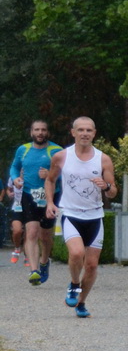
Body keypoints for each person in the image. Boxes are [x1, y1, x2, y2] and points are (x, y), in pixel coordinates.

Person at [43, 117, 115, 317]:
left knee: (91, 266)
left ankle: (81, 303)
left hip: (95, 216)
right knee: (76, 254)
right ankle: (74, 284)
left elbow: (113, 192)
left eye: (89, 130)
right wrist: (50, 203)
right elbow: (50, 180)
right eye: (81, 130)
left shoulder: (103, 159)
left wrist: (106, 186)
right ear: (73, 132)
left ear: (94, 133)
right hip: (71, 214)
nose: (85, 133)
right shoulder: (61, 157)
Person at [10, 120, 64, 285]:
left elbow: (67, 174)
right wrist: (15, 179)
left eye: (43, 130)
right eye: (37, 130)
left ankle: (44, 262)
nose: (40, 133)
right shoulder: (23, 149)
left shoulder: (57, 151)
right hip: (29, 195)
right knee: (32, 232)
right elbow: (14, 167)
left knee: (46, 236)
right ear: (31, 132)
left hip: (50, 197)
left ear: (47, 132)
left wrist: (51, 175)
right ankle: (34, 271)